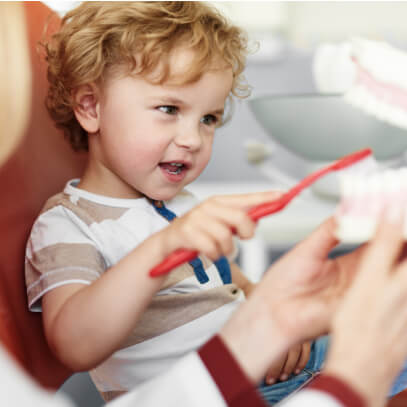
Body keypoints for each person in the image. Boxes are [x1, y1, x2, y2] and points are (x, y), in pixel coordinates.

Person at [2, 3, 407, 407]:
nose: (193, 138)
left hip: (284, 366)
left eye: (208, 119)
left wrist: (282, 322)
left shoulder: (178, 205)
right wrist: (163, 249)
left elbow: (231, 286)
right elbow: (75, 343)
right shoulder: (68, 224)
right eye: (169, 109)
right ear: (91, 107)